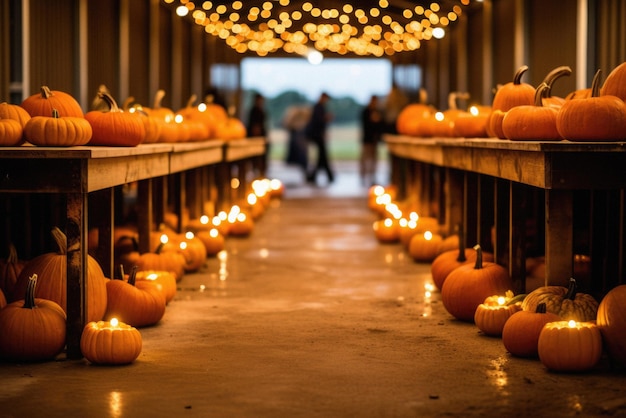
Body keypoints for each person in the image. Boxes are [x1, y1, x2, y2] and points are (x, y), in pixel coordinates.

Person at [304, 92, 334, 185]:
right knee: (322, 156)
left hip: (318, 135)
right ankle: (328, 176)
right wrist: (326, 118)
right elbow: (318, 122)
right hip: (317, 136)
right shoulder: (318, 107)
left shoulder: (320, 107)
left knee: (321, 158)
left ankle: (313, 176)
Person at [360, 95, 384, 186]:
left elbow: (381, 126)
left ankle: (372, 178)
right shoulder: (366, 112)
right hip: (367, 140)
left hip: (374, 140)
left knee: (374, 161)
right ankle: (363, 178)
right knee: (365, 160)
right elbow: (365, 125)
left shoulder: (378, 112)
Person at [282, 104, 311, 177]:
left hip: (299, 142)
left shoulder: (294, 119)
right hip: (299, 142)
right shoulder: (297, 122)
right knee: (301, 158)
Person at [246, 93, 269, 174]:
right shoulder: (254, 111)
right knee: (255, 156)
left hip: (261, 136)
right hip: (255, 137)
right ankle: (256, 171)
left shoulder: (261, 110)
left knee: (261, 156)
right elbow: (255, 127)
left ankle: (261, 171)